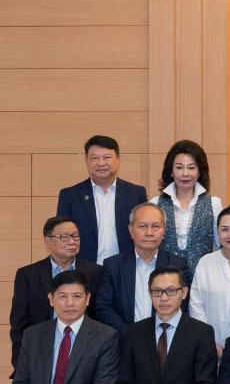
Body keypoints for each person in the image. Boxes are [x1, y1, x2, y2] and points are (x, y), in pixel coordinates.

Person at [10, 216, 102, 368]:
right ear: (48, 242)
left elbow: (100, 317)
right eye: (64, 237)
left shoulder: (96, 272)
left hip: (85, 353)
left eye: (75, 236)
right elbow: (19, 323)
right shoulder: (28, 275)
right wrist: (21, 365)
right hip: (41, 351)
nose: (72, 241)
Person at [94, 203, 187, 334]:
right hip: (125, 339)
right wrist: (130, 334)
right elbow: (103, 306)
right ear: (131, 230)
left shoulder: (177, 264)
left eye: (156, 226)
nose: (149, 233)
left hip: (165, 337)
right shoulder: (113, 265)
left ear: (164, 231)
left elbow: (182, 305)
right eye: (142, 226)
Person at [56, 134, 148, 265]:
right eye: (94, 158)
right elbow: (62, 235)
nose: (101, 163)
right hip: (84, 268)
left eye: (107, 157)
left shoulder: (136, 194)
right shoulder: (70, 195)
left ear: (118, 159)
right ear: (86, 160)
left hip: (125, 267)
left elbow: (143, 232)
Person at [152, 139, 222, 277]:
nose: (185, 173)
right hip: (165, 280)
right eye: (179, 167)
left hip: (203, 279)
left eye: (191, 167)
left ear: (200, 171)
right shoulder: (155, 204)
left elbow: (221, 246)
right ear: (171, 171)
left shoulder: (214, 204)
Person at [188, 207, 230, 352]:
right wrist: (208, 342)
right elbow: (196, 305)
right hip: (208, 346)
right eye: (224, 229)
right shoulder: (206, 262)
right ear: (217, 232)